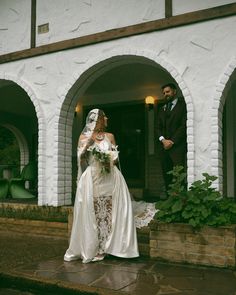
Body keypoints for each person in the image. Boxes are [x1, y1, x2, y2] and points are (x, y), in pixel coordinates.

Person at [64, 109, 157, 264]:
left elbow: (115, 158)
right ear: (97, 120)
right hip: (93, 177)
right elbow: (81, 160)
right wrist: (87, 146)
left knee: (111, 209)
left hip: (111, 176)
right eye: (104, 116)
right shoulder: (83, 137)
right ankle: (97, 247)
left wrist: (109, 159)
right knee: (94, 211)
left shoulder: (110, 136)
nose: (107, 118)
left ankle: (110, 246)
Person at [157, 83, 187, 193]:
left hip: (178, 148)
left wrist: (172, 141)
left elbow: (183, 126)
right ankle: (169, 202)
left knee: (179, 176)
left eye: (168, 91)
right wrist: (163, 140)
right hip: (164, 149)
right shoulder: (161, 109)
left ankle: (181, 202)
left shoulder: (183, 105)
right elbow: (157, 127)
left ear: (174, 91)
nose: (166, 94)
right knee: (167, 176)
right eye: (164, 93)